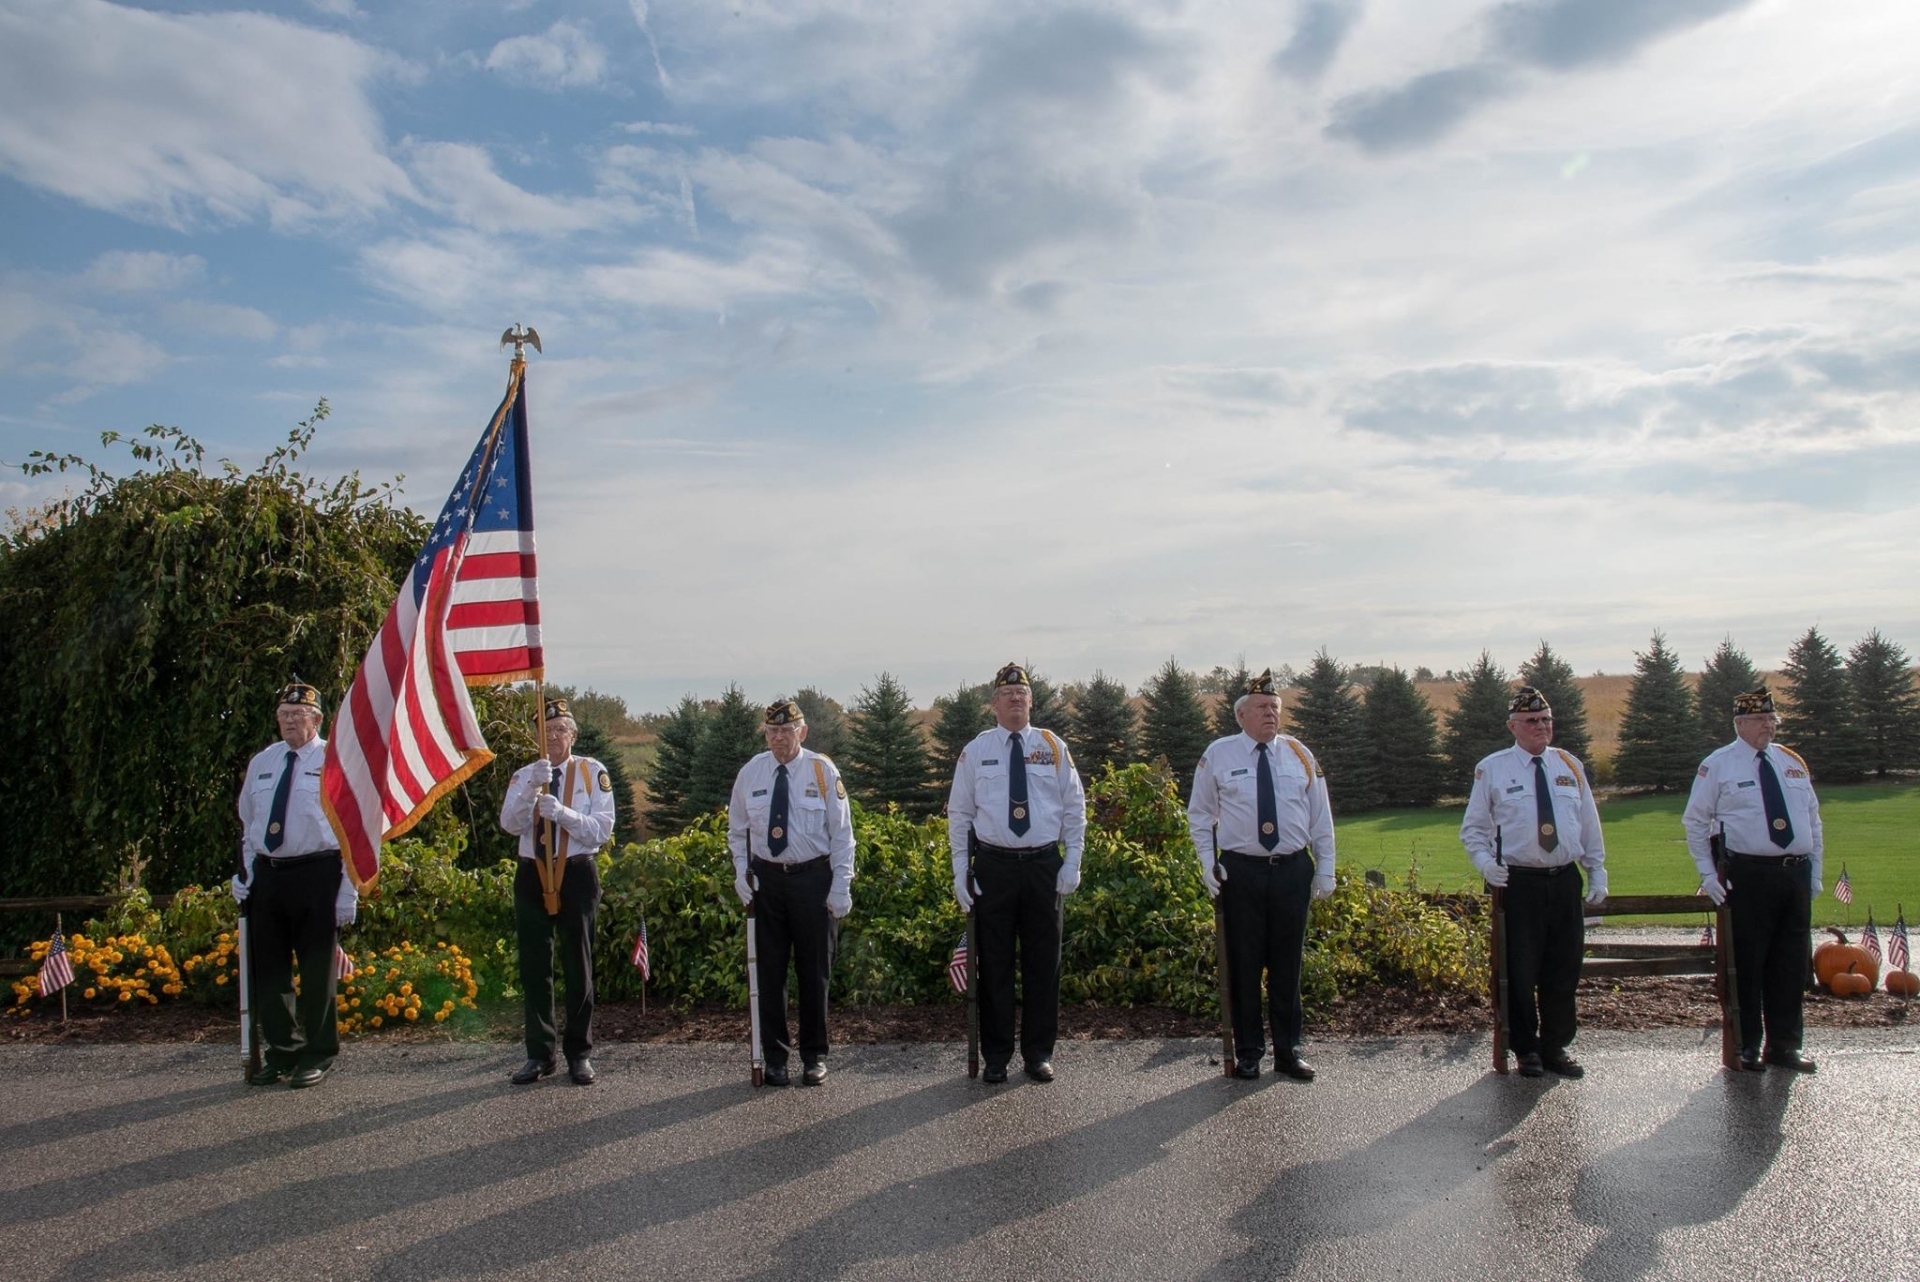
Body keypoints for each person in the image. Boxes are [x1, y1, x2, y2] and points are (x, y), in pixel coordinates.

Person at [1188, 669, 1336, 1081]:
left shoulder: (1300, 754)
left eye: (1275, 707)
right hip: (1242, 873)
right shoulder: (1218, 754)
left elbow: (1321, 817)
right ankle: (1249, 1050)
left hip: (1291, 870)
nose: (1270, 713)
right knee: (1245, 964)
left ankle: (1289, 1051)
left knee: (1288, 966)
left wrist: (1326, 868)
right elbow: (1200, 815)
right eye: (1261, 707)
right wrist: (1206, 861)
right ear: (1241, 716)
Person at [947, 663, 1087, 1083]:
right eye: (1007, 695)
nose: (1015, 700)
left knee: (1045, 964)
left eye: (1021, 695)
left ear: (1031, 701)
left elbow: (1075, 807)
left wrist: (1073, 860)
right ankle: (996, 1056)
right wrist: (960, 871)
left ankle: (1038, 1053)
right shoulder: (976, 751)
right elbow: (959, 813)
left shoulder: (1052, 746)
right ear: (994, 703)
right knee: (994, 964)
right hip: (994, 867)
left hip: (1044, 865)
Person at [1461, 686, 1607, 1079]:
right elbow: (1473, 829)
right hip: (1518, 883)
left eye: (1546, 720)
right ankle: (1525, 1048)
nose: (1541, 727)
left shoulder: (1569, 765)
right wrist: (1485, 865)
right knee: (1520, 970)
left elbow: (1588, 823)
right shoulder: (1492, 768)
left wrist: (1597, 869)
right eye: (1532, 721)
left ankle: (1556, 1047)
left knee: (1564, 969)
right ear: (1513, 726)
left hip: (1563, 881)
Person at [1682, 686, 1823, 1073]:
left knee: (1790, 963)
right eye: (1761, 719)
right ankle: (1746, 1045)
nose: (1769, 725)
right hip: (1748, 874)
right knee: (1748, 963)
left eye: (1772, 718)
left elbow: (1813, 820)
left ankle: (1784, 1045)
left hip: (1793, 872)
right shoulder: (1719, 765)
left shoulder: (1791, 763)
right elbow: (1695, 821)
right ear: (1740, 723)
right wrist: (1707, 874)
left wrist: (1815, 872)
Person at [231, 681, 357, 1088]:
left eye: (297, 714)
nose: (288, 721)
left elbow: (352, 831)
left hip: (317, 874)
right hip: (269, 874)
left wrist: (346, 891)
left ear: (317, 719)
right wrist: (247, 874)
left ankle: (318, 1053)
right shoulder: (263, 761)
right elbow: (249, 823)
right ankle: (282, 1051)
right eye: (283, 715)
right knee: (269, 971)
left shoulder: (335, 761)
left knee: (318, 972)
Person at [728, 698, 857, 1087]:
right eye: (772, 731)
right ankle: (775, 1059)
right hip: (766, 883)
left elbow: (842, 834)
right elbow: (737, 832)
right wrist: (740, 872)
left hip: (812, 880)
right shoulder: (751, 773)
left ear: (802, 732)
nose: (779, 738)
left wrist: (841, 884)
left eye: (786, 731)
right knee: (769, 975)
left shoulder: (821, 770)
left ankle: (815, 1056)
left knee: (814, 972)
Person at [500, 697, 616, 1086]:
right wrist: (531, 786)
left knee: (577, 964)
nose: (552, 736)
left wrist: (563, 814)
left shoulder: (591, 772)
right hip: (532, 873)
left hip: (576, 874)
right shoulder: (524, 774)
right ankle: (539, 1054)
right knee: (535, 967)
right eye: (545, 731)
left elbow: (602, 829)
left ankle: (579, 1054)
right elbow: (509, 824)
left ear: (573, 734)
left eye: (560, 729)